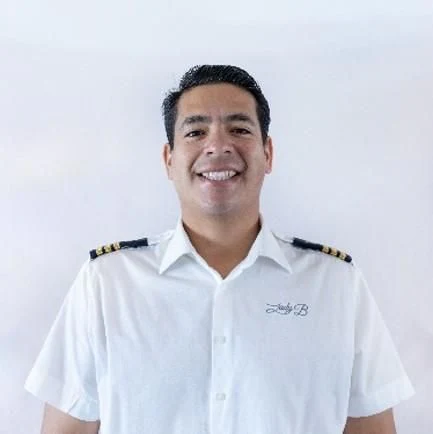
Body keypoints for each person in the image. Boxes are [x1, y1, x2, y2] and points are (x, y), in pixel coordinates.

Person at [25, 64, 415, 434]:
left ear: (268, 154)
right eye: (196, 132)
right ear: (169, 159)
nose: (217, 146)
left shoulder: (335, 285)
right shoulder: (108, 283)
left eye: (239, 129)